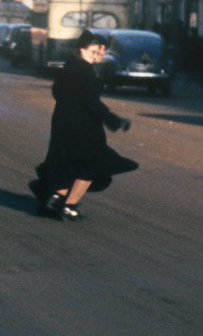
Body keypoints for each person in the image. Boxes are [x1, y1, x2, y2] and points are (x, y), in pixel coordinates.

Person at [30, 31, 137, 221]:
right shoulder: (84, 71)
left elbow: (57, 92)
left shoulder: (70, 66)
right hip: (83, 126)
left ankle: (54, 199)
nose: (97, 56)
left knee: (65, 163)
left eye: (100, 52)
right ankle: (68, 206)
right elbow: (91, 102)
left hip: (63, 122)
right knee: (92, 164)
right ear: (82, 49)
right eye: (93, 51)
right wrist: (114, 120)